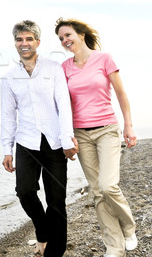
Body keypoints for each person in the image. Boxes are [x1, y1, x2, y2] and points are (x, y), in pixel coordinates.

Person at [55, 17, 138, 257]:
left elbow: (121, 95)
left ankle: (129, 227)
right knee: (97, 191)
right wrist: (67, 137)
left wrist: (128, 126)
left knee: (108, 185)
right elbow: (65, 104)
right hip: (81, 133)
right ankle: (114, 246)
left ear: (81, 35)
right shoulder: (65, 68)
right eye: (61, 38)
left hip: (106, 130)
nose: (64, 40)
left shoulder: (104, 59)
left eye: (68, 35)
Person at [1, 20, 78, 257]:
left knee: (56, 200)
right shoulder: (9, 77)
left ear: (37, 42)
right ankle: (42, 231)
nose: (24, 44)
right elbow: (7, 115)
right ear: (15, 43)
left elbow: (64, 106)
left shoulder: (54, 69)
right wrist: (7, 148)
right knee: (24, 191)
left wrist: (67, 140)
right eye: (19, 39)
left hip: (54, 141)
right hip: (26, 142)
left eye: (29, 39)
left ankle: (55, 252)